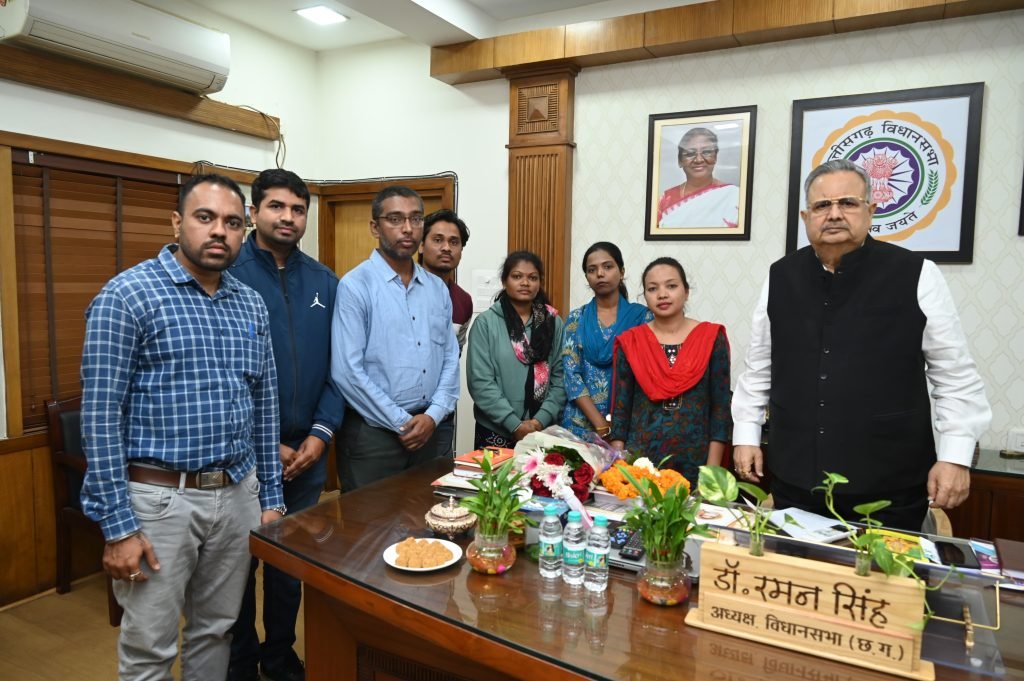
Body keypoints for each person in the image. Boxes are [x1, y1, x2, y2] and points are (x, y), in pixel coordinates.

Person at [80, 174, 284, 681]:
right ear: (177, 223)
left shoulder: (250, 303)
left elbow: (265, 406)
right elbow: (100, 418)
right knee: (150, 649)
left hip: (236, 494)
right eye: (205, 217)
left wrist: (271, 497)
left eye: (232, 223)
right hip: (159, 502)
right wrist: (118, 528)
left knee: (216, 632)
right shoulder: (127, 296)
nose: (219, 232)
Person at [731, 159, 991, 531]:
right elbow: (759, 367)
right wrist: (746, 434)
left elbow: (954, 375)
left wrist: (955, 456)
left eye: (848, 203)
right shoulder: (780, 276)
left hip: (889, 489)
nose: (834, 214)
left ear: (871, 210)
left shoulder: (917, 273)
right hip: (796, 484)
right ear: (806, 217)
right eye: (822, 205)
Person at [227, 169, 344, 681]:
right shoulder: (227, 274)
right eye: (276, 207)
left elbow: (342, 368)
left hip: (307, 453)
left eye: (298, 209)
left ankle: (279, 654)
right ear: (254, 212)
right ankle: (239, 660)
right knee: (237, 565)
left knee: (289, 564)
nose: (288, 217)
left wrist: (321, 434)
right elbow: (220, 374)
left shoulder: (324, 281)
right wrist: (263, 442)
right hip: (243, 453)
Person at [331, 186, 460, 491]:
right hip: (374, 436)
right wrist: (402, 422)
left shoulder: (437, 289)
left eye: (416, 219)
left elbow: (449, 357)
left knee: (430, 515)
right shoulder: (355, 286)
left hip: (430, 430)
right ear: (375, 227)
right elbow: (347, 372)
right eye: (395, 219)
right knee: (371, 520)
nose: (408, 228)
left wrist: (433, 416)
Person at [609, 257, 731, 487]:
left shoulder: (711, 338)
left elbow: (720, 408)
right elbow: (621, 409)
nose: (662, 294)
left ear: (687, 292)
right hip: (641, 464)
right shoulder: (632, 342)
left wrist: (712, 471)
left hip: (697, 462)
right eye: (652, 288)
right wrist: (621, 467)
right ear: (645, 296)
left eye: (671, 286)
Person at [467, 251, 566, 449]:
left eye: (532, 278)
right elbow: (480, 382)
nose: (525, 283)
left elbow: (561, 378)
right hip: (495, 430)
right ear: (504, 281)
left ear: (539, 283)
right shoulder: (485, 323)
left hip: (543, 429)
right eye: (517, 276)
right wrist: (514, 424)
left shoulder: (552, 323)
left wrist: (539, 421)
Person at [560, 242, 650, 439]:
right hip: (579, 423)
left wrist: (616, 425)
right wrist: (600, 425)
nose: (600, 274)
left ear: (622, 271)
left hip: (628, 423)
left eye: (607, 267)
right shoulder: (577, 318)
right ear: (587, 277)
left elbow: (647, 374)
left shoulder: (643, 319)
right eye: (592, 270)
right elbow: (571, 375)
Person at [419, 208, 473, 457]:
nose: (446, 248)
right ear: (421, 245)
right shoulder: (400, 290)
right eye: (437, 239)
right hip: (396, 414)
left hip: (440, 416)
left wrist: (438, 410)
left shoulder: (463, 300)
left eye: (454, 242)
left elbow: (454, 356)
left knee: (435, 479)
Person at [657, 127, 739, 229]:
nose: (699, 160)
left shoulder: (734, 196)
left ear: (715, 157)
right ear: (680, 161)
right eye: (690, 153)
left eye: (706, 152)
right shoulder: (664, 200)